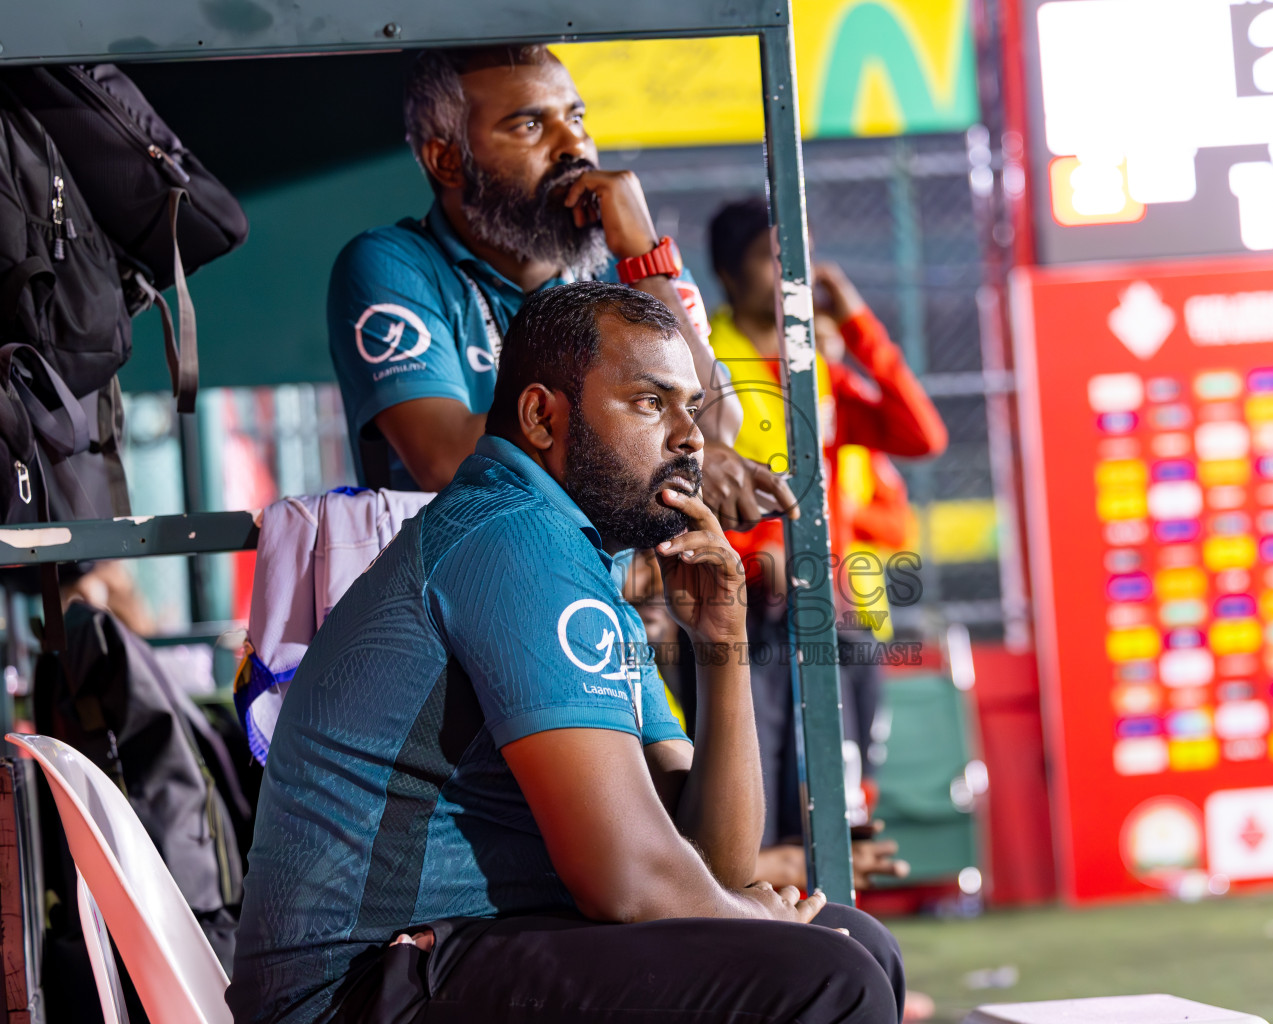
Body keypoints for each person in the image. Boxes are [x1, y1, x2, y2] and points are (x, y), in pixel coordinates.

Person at [230, 282, 904, 1024]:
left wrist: (724, 643)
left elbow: (714, 863)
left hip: (447, 957)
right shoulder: (513, 539)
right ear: (542, 417)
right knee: (830, 975)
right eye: (652, 404)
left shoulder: (580, 558)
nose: (691, 439)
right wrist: (758, 922)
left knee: (855, 944)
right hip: (348, 995)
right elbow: (629, 883)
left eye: (691, 408)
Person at [328, 45, 788, 538]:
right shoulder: (394, 262)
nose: (574, 145)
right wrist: (662, 457)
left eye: (577, 117)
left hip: (616, 595)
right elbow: (446, 461)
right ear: (447, 160)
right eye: (529, 125)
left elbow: (716, 421)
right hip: (466, 585)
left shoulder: (630, 261)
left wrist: (647, 259)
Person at [706, 197, 948, 884]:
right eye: (769, 256)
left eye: (801, 253)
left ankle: (846, 950)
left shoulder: (814, 363)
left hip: (839, 610)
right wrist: (757, 555)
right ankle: (781, 956)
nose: (793, 270)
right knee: (759, 792)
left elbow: (921, 435)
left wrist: (857, 321)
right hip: (746, 617)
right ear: (727, 272)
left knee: (840, 793)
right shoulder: (703, 360)